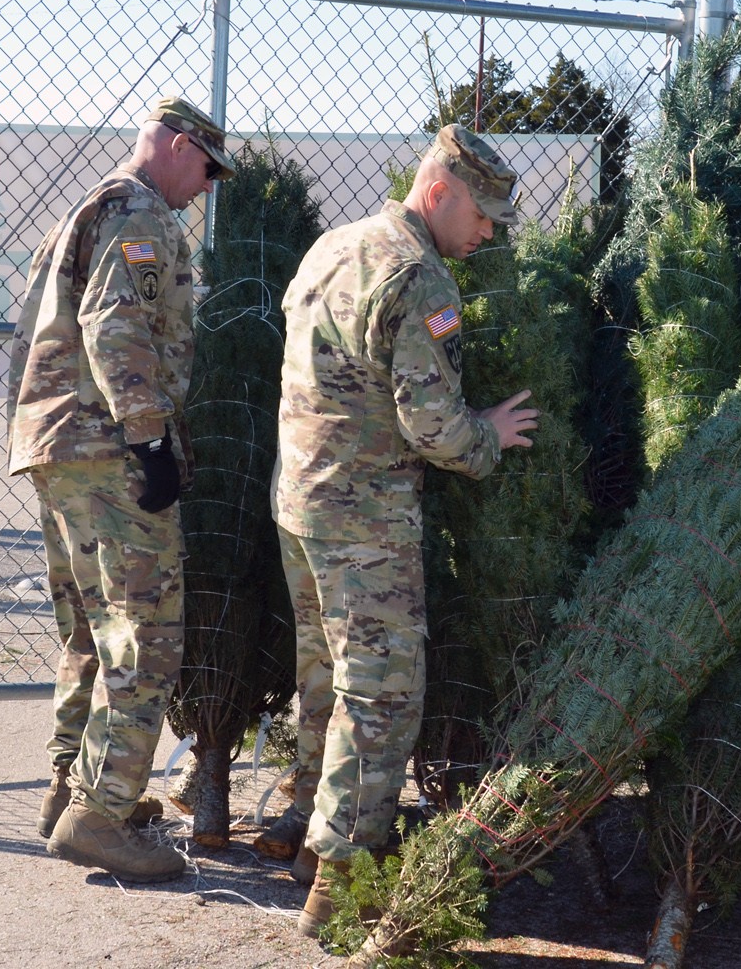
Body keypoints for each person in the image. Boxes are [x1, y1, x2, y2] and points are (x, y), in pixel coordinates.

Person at [268, 123, 539, 937]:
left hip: (300, 504)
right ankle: (342, 884)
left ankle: (306, 837)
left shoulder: (333, 245)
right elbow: (431, 426)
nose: (487, 232)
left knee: (325, 676)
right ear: (439, 191)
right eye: (483, 214)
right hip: (366, 521)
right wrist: (490, 435)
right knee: (382, 695)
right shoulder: (420, 278)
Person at [7, 96, 238, 882]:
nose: (205, 186)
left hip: (56, 447)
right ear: (176, 147)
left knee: (89, 631)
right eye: (205, 167)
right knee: (148, 632)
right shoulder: (138, 213)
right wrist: (148, 439)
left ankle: (68, 793)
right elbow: (115, 327)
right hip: (108, 449)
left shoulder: (82, 211)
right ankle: (101, 817)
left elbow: (33, 336)